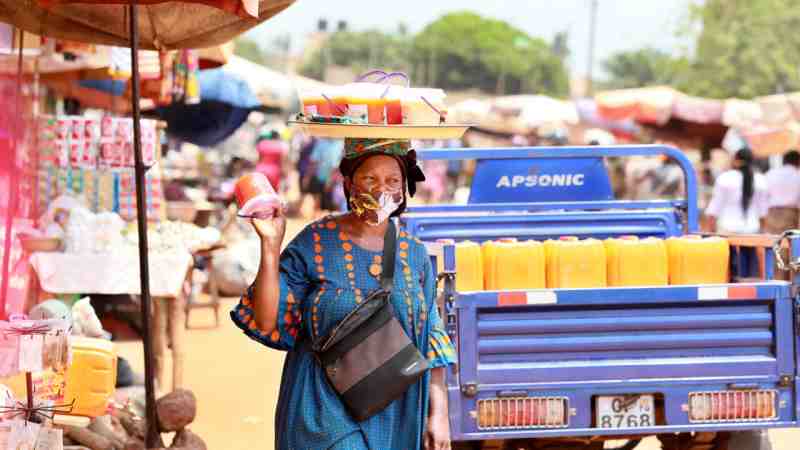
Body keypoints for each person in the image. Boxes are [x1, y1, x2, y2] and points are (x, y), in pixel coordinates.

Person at [231, 138, 455, 450]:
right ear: (349, 184)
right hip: (322, 408)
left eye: (393, 180)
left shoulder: (415, 255)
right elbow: (267, 320)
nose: (381, 190)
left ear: (404, 189)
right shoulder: (316, 242)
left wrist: (440, 412)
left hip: (397, 413)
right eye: (370, 179)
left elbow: (431, 331)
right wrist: (270, 246)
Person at [705, 148, 769, 234]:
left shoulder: (725, 178)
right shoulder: (760, 180)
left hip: (727, 230)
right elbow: (763, 211)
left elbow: (714, 208)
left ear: (736, 160)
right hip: (752, 230)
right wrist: (763, 231)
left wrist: (711, 230)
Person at [764, 150, 800, 234]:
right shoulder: (797, 175)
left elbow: (764, 195)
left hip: (772, 213)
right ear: (798, 161)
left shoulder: (770, 173)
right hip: (791, 213)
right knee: (788, 243)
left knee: (772, 242)